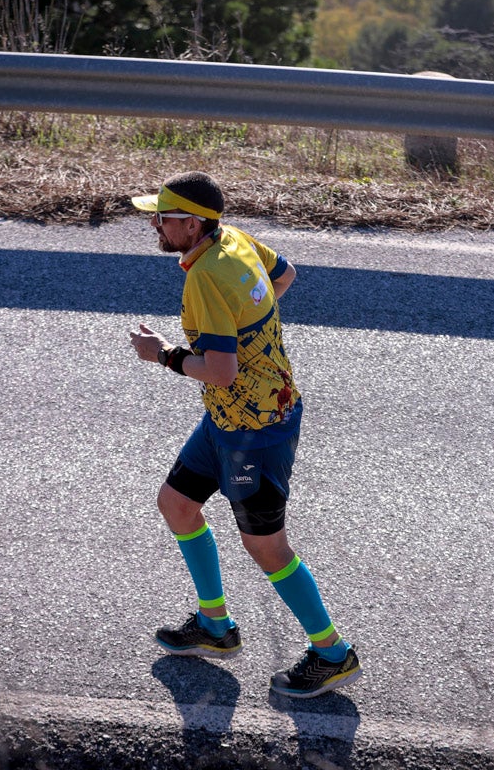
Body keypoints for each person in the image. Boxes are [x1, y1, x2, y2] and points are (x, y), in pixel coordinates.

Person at [128, 171, 361, 699]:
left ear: (192, 224)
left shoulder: (206, 277)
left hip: (255, 431)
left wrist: (162, 354)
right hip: (229, 420)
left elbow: (220, 370)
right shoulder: (232, 238)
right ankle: (215, 626)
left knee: (266, 547)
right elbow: (286, 275)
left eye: (162, 218)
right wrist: (249, 331)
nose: (155, 225)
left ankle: (333, 654)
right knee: (177, 505)